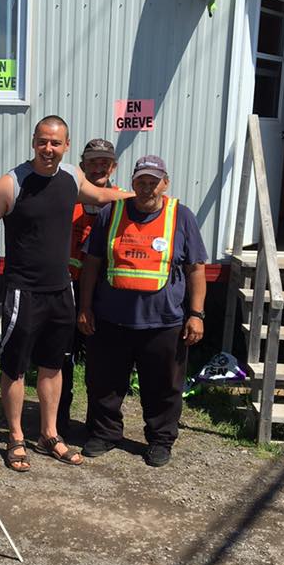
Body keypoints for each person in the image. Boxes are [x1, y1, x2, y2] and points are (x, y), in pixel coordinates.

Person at [0, 115, 128, 471]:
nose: (48, 149)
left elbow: (101, 195)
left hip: (60, 290)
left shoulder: (71, 177)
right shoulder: (10, 183)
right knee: (15, 368)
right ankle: (16, 436)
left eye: (55, 143)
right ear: (33, 142)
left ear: (67, 146)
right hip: (22, 291)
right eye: (42, 141)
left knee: (53, 366)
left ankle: (49, 434)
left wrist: (142, 196)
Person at [77, 155, 207, 467]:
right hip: (111, 319)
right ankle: (105, 434)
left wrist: (196, 314)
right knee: (103, 383)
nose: (147, 187)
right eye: (141, 181)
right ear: (133, 183)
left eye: (153, 181)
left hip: (164, 321)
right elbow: (92, 264)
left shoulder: (181, 216)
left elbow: (196, 269)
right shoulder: (111, 213)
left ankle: (161, 440)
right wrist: (85, 307)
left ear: (165, 183)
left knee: (163, 386)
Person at [57, 138, 120, 436]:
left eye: (104, 162)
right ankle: (57, 423)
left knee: (104, 364)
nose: (98, 168)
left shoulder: (123, 202)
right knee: (60, 360)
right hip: (65, 289)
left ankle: (99, 427)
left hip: (106, 293)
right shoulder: (65, 198)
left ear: (113, 167)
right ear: (82, 166)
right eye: (93, 162)